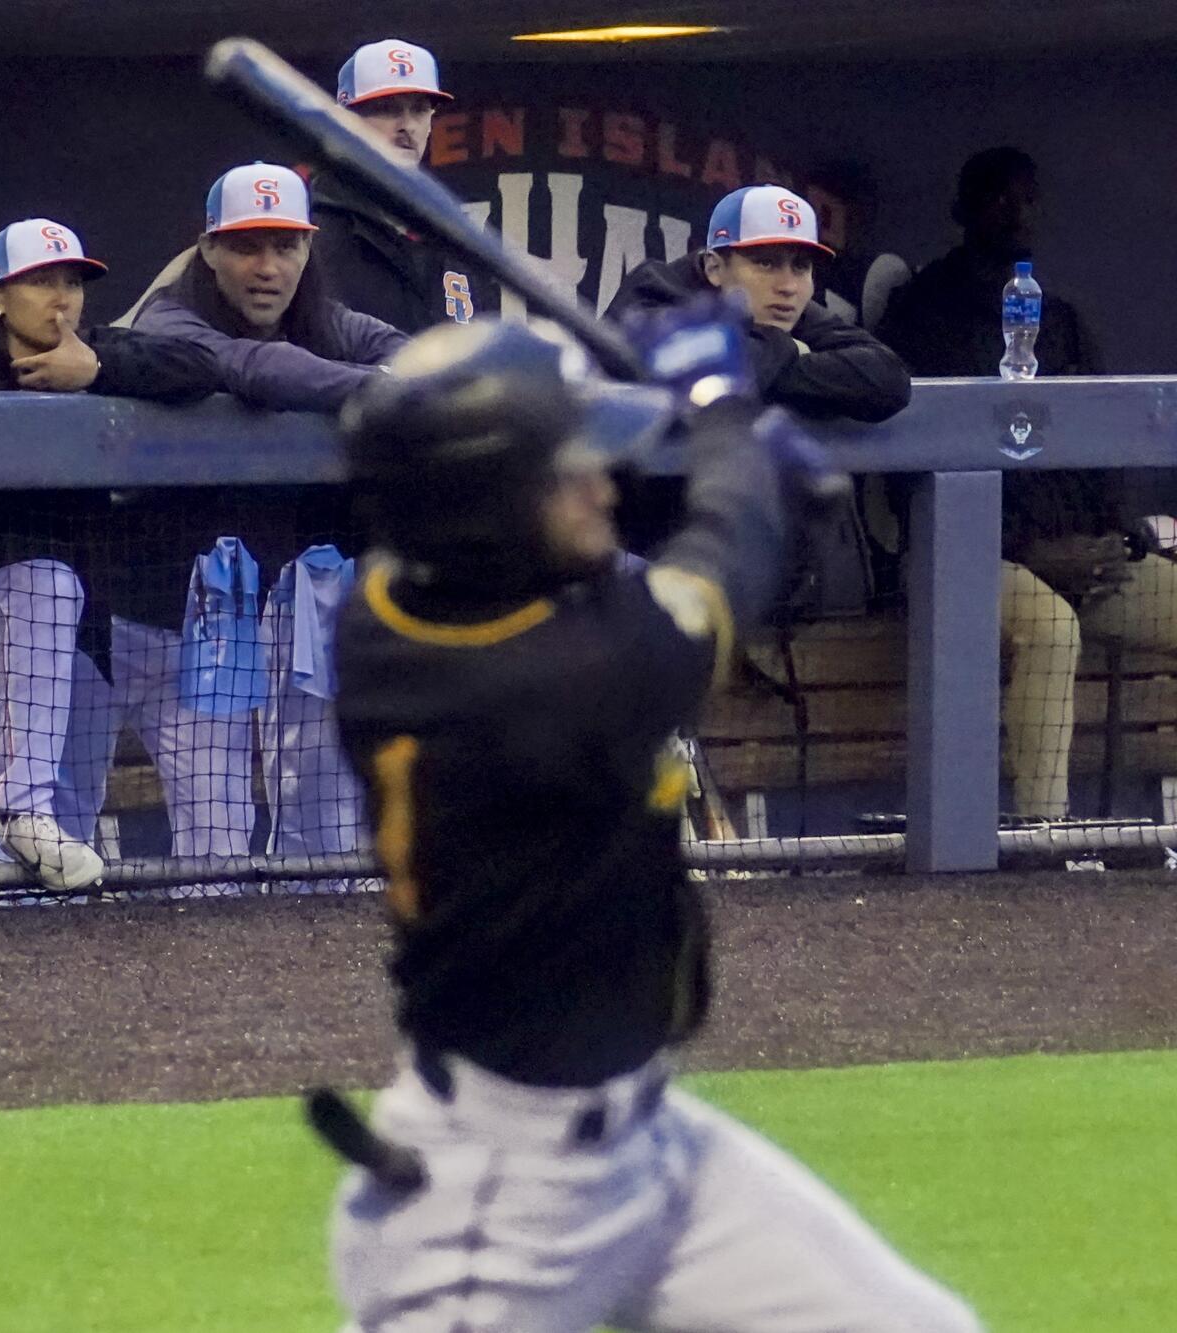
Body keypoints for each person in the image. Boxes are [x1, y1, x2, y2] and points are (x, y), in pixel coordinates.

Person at [323, 308, 982, 1333]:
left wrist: (742, 463)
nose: (602, 485)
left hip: (649, 1151)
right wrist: (726, 424)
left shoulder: (384, 610)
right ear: (485, 509)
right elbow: (723, 558)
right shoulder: (567, 682)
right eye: (566, 468)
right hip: (495, 1198)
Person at [0, 218, 218, 888]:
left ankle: (31, 856)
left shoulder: (92, 351)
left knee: (45, 835)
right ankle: (21, 809)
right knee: (43, 583)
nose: (62, 298)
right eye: (39, 283)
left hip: (50, 641)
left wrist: (102, 369)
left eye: (71, 282)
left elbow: (202, 368)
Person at [130, 164, 406, 875]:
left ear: (308, 249)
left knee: (325, 792)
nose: (267, 267)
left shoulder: (322, 315)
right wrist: (381, 391)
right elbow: (252, 367)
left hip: (294, 583)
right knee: (214, 811)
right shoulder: (168, 314)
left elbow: (403, 350)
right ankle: (210, 962)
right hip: (177, 600)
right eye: (248, 246)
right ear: (210, 248)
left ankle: (310, 955)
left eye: (285, 246)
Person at [878, 147, 1163, 819]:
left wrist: (1117, 537)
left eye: (1027, 198)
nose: (1016, 211)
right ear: (961, 210)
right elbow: (908, 471)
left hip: (1082, 557)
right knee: (1053, 631)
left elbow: (1105, 444)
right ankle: (1045, 838)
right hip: (966, 555)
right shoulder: (920, 314)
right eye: (999, 197)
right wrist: (1027, 549)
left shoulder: (1057, 318)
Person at [607, 184, 911, 423]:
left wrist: (770, 363)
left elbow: (889, 379)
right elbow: (700, 381)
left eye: (801, 266)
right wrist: (787, 346)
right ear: (714, 268)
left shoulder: (783, 304)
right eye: (766, 264)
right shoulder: (655, 290)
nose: (788, 285)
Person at [313, 38, 493, 333]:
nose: (406, 125)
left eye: (420, 109)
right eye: (386, 108)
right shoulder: (309, 230)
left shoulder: (456, 237)